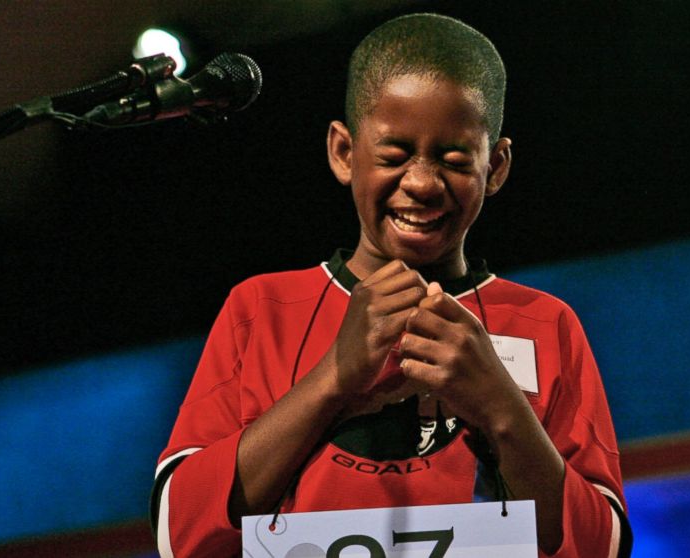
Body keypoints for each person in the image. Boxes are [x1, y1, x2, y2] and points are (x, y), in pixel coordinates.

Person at [152, 13, 630, 558]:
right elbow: (178, 534)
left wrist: (502, 406)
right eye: (393, 156)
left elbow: (601, 549)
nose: (422, 183)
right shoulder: (262, 309)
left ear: (495, 166)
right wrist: (335, 377)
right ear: (343, 152)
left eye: (454, 160)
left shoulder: (544, 323)